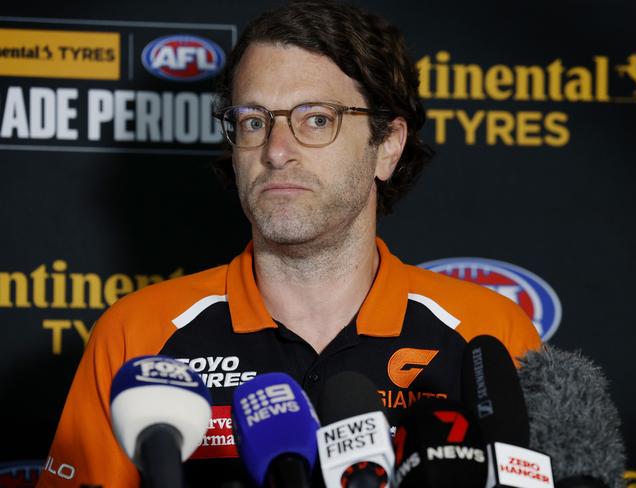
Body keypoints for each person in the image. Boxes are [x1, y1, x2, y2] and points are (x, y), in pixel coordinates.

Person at [38, 1, 540, 487]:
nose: (276, 151)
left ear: (387, 146)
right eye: (254, 121)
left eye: (317, 119)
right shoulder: (137, 337)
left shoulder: (490, 336)